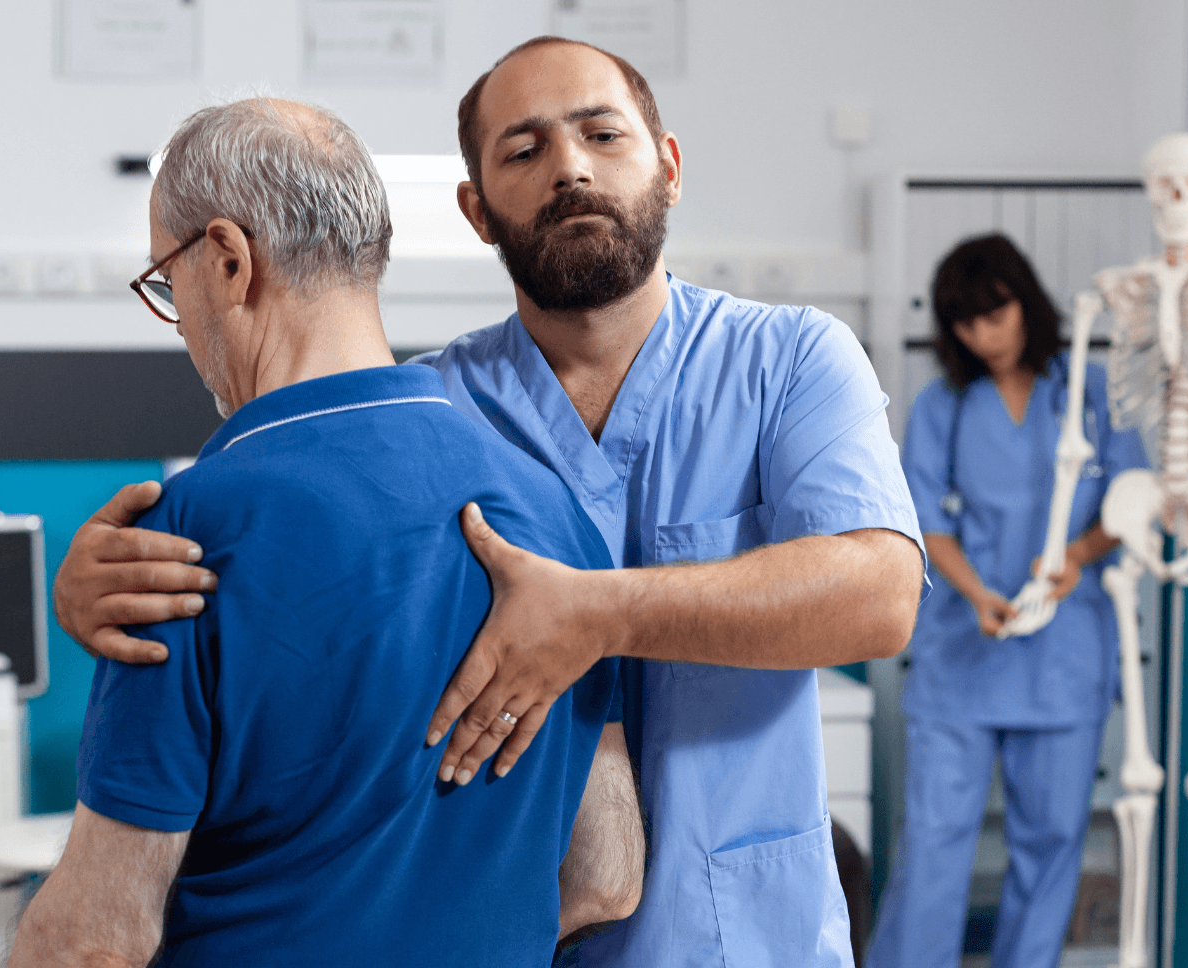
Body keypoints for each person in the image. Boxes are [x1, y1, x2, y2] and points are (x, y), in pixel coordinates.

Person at [53, 37, 925, 966]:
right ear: (475, 210)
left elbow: (878, 598)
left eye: (602, 133)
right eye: (524, 151)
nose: (571, 168)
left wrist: (594, 611)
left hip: (743, 935)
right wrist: (90, 591)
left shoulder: (791, 361)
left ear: (667, 167)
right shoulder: (433, 413)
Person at [8, 97, 640, 968]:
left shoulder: (178, 546)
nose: (180, 321)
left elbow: (92, 940)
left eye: (168, 282)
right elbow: (607, 877)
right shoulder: (557, 514)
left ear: (229, 261)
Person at [866, 234, 1148, 968]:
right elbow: (924, 517)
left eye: (995, 314)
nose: (982, 335)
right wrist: (977, 593)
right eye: (965, 323)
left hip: (1064, 652)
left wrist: (1076, 558)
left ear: (1026, 302)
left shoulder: (1090, 391)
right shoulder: (943, 406)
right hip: (965, 646)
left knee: (1052, 842)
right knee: (934, 844)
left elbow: (1129, 497)